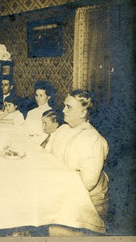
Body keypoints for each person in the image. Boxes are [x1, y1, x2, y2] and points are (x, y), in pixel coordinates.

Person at [49, 90, 109, 218]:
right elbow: (48, 156)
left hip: (86, 201)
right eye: (64, 105)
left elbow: (88, 182)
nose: (63, 110)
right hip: (61, 188)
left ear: (83, 113)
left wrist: (57, 192)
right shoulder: (63, 129)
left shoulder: (92, 139)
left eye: (69, 107)